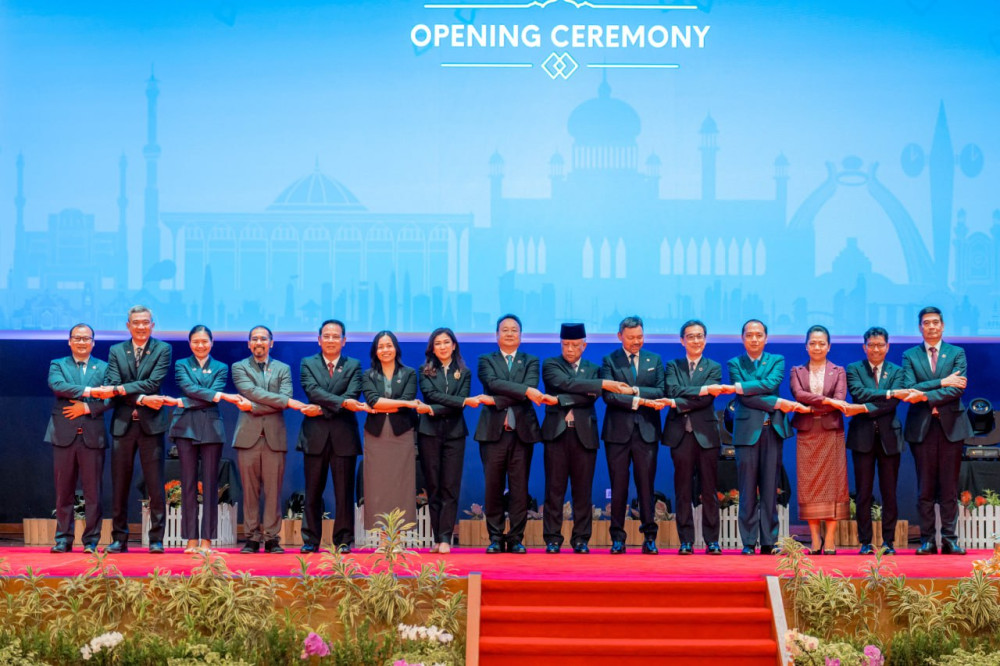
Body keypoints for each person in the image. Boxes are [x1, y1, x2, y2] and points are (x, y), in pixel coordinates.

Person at [541, 323, 633, 554]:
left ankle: (581, 539)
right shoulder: (551, 364)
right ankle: (552, 539)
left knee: (583, 490)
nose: (570, 349)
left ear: (584, 345)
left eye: (575, 345)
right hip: (556, 434)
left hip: (584, 435)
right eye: (565, 344)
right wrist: (599, 385)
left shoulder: (594, 368)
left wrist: (561, 399)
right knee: (554, 489)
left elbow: (591, 396)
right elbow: (563, 383)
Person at [232, 325, 320, 554]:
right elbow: (251, 392)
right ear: (248, 343)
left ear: (271, 343)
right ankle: (251, 538)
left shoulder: (283, 368)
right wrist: (283, 402)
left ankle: (272, 538)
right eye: (254, 339)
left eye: (263, 339)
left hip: (274, 437)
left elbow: (284, 397)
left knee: (273, 491)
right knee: (250, 491)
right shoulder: (239, 367)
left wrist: (253, 407)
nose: (258, 342)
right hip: (247, 437)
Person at [726, 319, 808, 555]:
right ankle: (748, 542)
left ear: (766, 337)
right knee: (747, 489)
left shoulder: (777, 360)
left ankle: (769, 541)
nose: (754, 339)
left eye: (759, 335)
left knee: (770, 488)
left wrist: (746, 387)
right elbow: (744, 397)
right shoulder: (734, 363)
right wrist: (778, 402)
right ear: (742, 338)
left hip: (772, 430)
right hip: (746, 432)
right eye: (749, 335)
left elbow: (769, 384)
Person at [474, 314, 552, 554]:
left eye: (514, 330)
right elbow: (493, 383)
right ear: (497, 334)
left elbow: (521, 389)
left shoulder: (531, 361)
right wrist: (525, 391)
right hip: (492, 433)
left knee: (519, 488)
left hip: (522, 434)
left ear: (521, 335)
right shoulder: (485, 360)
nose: (509, 333)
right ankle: (495, 538)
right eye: (505, 330)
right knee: (493, 487)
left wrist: (496, 399)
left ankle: (516, 538)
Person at [101, 305, 174, 554]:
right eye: (136, 322)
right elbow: (112, 384)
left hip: (151, 426)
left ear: (152, 325)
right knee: (119, 484)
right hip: (123, 425)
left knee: (155, 484)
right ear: (128, 326)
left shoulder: (163, 349)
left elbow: (153, 383)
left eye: (145, 322)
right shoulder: (116, 350)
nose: (141, 326)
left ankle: (156, 539)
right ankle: (119, 538)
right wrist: (141, 398)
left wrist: (122, 389)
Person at [899, 306, 972, 555]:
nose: (931, 326)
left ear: (943, 326)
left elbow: (957, 388)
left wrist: (925, 395)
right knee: (925, 488)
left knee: (949, 488)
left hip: (951, 427)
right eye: (926, 323)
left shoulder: (956, 353)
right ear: (920, 327)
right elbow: (909, 387)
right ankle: (927, 540)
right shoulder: (910, 355)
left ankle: (950, 539)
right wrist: (942, 381)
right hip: (922, 428)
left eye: (935, 322)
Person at [168, 325, 246, 554]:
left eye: (204, 341)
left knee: (211, 485)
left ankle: (207, 541)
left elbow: (204, 397)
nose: (200, 345)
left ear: (212, 342)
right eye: (196, 341)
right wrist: (220, 396)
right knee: (188, 484)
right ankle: (191, 539)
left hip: (211, 428)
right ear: (189, 343)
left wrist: (182, 402)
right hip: (185, 427)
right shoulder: (181, 364)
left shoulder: (221, 367)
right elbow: (189, 388)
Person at [298, 319, 369, 554]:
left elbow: (353, 394)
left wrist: (321, 409)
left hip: (343, 435)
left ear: (344, 341)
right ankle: (310, 539)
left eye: (335, 336)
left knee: (344, 492)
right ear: (319, 340)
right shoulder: (307, 363)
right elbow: (313, 391)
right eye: (326, 336)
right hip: (314, 436)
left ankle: (344, 540)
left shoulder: (354, 365)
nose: (331, 340)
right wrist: (342, 403)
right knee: (312, 492)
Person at [600, 315, 665, 555]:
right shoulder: (609, 360)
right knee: (618, 487)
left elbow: (661, 391)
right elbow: (609, 396)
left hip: (646, 432)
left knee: (646, 487)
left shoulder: (654, 360)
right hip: (617, 433)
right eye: (631, 337)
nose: (636, 341)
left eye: (640, 336)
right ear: (620, 336)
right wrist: (640, 400)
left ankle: (650, 537)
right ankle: (618, 538)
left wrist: (634, 391)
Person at [44, 324, 112, 553]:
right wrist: (91, 392)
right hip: (63, 434)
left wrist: (87, 408)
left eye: (86, 338)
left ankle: (91, 540)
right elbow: (58, 386)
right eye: (77, 338)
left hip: (92, 435)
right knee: (64, 491)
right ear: (69, 341)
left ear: (93, 342)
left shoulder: (104, 367)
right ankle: (63, 538)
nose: (82, 342)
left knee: (93, 493)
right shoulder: (58, 364)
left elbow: (110, 398)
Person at [661, 319, 724, 556]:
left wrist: (678, 402)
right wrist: (701, 390)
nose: (695, 340)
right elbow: (672, 390)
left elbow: (707, 400)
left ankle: (712, 541)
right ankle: (685, 540)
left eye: (699, 336)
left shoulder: (714, 367)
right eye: (690, 336)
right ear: (682, 341)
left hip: (706, 436)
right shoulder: (673, 366)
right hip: (680, 435)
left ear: (705, 340)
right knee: (683, 490)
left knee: (709, 490)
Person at [417, 328, 483, 554]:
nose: (443, 346)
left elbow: (457, 405)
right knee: (433, 486)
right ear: (432, 348)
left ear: (454, 345)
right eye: (438, 343)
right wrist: (460, 401)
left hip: (455, 434)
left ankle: (446, 537)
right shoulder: (424, 371)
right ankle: (437, 538)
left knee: (450, 486)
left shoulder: (464, 372)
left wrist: (432, 409)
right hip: (428, 433)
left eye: (446, 342)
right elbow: (432, 395)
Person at [361, 330, 430, 537]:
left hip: (402, 433)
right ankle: (383, 540)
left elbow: (406, 399)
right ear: (375, 351)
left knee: (401, 485)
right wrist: (404, 404)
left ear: (396, 348)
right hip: (376, 434)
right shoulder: (368, 375)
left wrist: (396, 404)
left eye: (389, 345)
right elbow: (373, 401)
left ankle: (396, 540)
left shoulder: (409, 373)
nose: (385, 350)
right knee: (377, 486)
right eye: (381, 346)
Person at [789, 325, 850, 555]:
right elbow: (799, 395)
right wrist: (828, 401)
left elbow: (840, 398)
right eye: (812, 343)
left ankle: (830, 539)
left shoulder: (839, 371)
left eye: (821, 343)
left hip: (831, 431)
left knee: (834, 486)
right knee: (809, 486)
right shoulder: (797, 371)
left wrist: (822, 403)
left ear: (829, 346)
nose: (817, 347)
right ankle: (815, 539)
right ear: (806, 346)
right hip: (807, 432)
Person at [845, 326, 904, 555]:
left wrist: (863, 408)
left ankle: (889, 541)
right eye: (871, 345)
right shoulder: (854, 369)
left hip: (890, 437)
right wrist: (888, 393)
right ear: (864, 347)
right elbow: (858, 393)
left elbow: (893, 403)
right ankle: (865, 542)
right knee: (863, 492)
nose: (876, 349)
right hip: (862, 437)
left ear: (887, 347)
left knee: (890, 492)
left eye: (880, 345)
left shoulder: (897, 371)